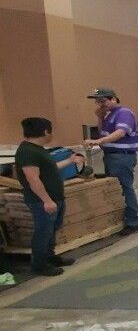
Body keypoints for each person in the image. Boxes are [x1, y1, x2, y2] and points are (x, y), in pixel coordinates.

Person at [14, 117, 85, 276]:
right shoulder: (28, 151)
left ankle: (50, 257)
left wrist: (70, 160)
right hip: (42, 201)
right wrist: (46, 200)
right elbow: (33, 179)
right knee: (43, 232)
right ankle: (39, 265)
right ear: (46, 131)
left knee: (52, 230)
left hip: (54, 198)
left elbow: (51, 168)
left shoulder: (38, 150)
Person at [83, 88, 138, 235]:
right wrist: (100, 118)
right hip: (111, 156)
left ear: (113, 99)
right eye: (98, 102)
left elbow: (120, 133)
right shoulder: (109, 115)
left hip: (122, 157)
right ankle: (120, 219)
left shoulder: (124, 113)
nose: (100, 104)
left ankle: (132, 222)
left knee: (125, 188)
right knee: (116, 188)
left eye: (103, 101)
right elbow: (103, 132)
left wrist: (98, 141)